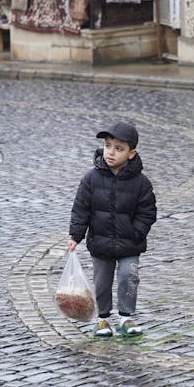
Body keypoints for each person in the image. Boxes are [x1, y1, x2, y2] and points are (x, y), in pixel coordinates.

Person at [68, 121, 158, 338]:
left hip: (130, 244)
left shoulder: (141, 183)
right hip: (101, 243)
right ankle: (103, 319)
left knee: (129, 277)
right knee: (101, 282)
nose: (111, 152)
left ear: (131, 154)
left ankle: (126, 317)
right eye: (108, 146)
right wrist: (76, 235)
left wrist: (136, 232)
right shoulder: (91, 179)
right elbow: (81, 208)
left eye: (119, 148)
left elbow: (148, 212)